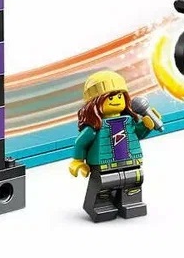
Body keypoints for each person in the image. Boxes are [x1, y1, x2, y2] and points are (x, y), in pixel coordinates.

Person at [68, 69, 161, 221]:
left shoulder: (128, 121)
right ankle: (100, 207)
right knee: (103, 186)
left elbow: (137, 134)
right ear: (95, 103)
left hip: (131, 162)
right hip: (103, 166)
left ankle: (130, 203)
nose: (116, 100)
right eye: (110, 97)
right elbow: (81, 142)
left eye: (120, 96)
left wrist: (146, 126)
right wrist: (78, 161)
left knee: (133, 182)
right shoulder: (95, 127)